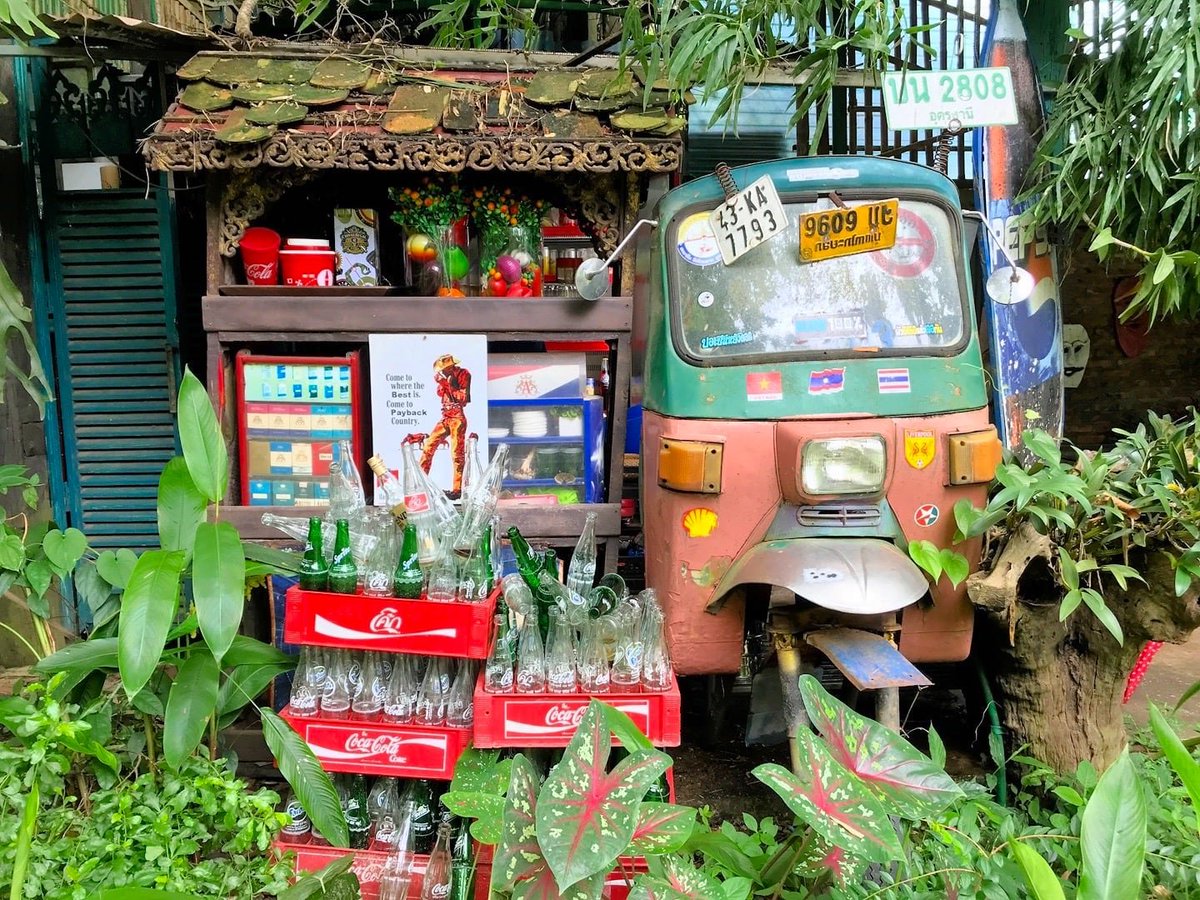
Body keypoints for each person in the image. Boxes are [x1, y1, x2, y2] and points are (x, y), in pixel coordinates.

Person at [419, 353, 472, 498]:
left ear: (450, 367)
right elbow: (440, 393)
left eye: (444, 369)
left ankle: (456, 490)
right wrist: (442, 384)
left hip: (457, 418)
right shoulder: (444, 377)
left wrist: (448, 384)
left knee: (456, 454)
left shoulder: (464, 374)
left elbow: (463, 399)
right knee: (428, 447)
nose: (441, 372)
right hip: (446, 417)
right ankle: (419, 483)